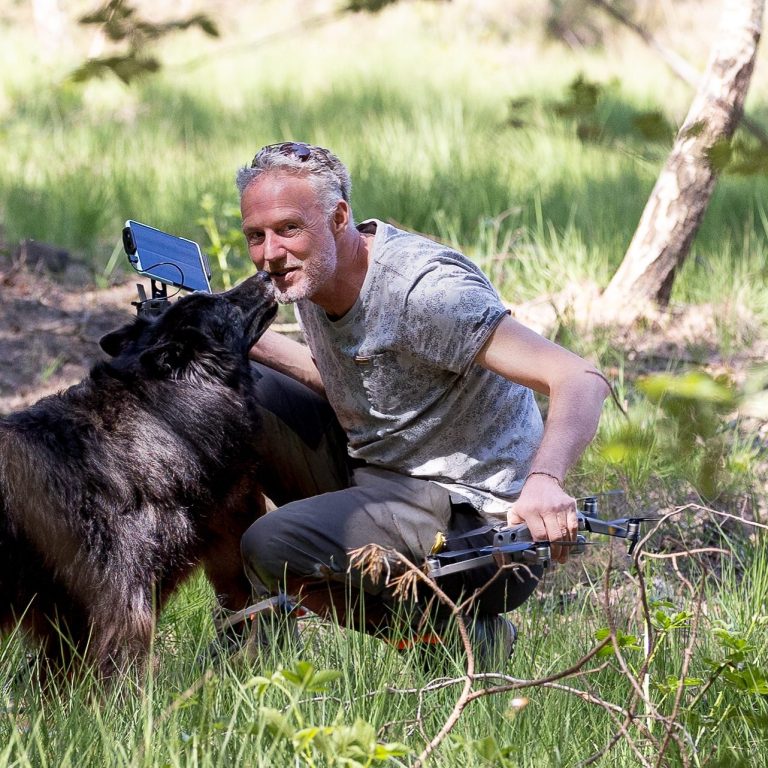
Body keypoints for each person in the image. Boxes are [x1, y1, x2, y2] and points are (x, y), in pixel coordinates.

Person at [236, 141, 609, 666]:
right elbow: (351, 383)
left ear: (339, 216)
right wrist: (225, 331)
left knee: (271, 544)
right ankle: (247, 626)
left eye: (289, 229)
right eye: (256, 235)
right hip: (384, 474)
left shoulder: (424, 294)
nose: (270, 254)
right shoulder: (316, 276)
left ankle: (455, 641)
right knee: (238, 383)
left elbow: (580, 376)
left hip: (477, 524)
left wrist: (545, 482)